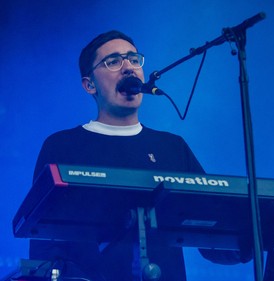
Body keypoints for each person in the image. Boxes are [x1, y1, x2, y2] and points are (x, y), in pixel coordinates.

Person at [29, 30, 249, 281]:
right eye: (113, 62)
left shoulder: (172, 147)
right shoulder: (63, 145)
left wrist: (253, 235)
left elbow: (211, 235)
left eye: (134, 59)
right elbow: (43, 241)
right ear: (90, 85)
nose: (128, 68)